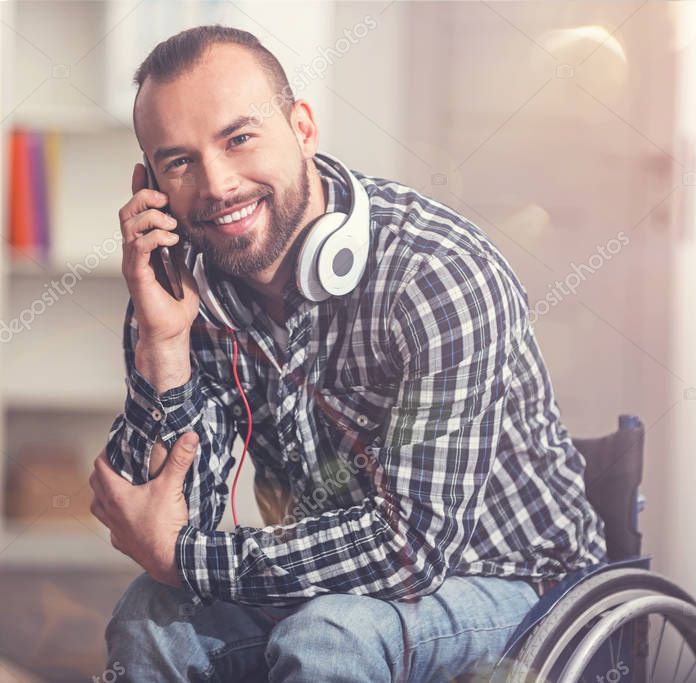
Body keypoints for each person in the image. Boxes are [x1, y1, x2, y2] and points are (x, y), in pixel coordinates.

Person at [88, 24, 607, 682]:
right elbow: (155, 513)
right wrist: (162, 347)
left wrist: (188, 559)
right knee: (149, 615)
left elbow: (414, 547)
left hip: (515, 584)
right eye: (180, 160)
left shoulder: (434, 273)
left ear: (302, 127)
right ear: (151, 181)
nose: (216, 184)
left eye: (238, 138)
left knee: (329, 635)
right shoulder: (180, 284)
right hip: (325, 576)